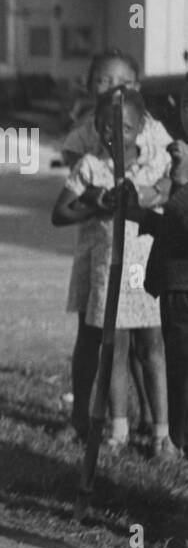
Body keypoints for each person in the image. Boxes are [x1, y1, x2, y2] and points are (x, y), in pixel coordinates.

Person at [52, 86, 172, 455]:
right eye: (106, 127)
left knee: (152, 347)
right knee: (113, 349)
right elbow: (60, 212)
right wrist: (98, 206)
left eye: (125, 128)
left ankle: (162, 433)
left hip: (145, 271)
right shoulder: (91, 166)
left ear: (142, 128)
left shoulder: (155, 163)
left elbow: (173, 189)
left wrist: (148, 196)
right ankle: (118, 430)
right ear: (96, 126)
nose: (115, 135)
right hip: (108, 270)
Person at [132, 132, 188, 455]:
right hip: (176, 287)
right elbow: (174, 226)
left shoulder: (181, 172)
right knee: (179, 372)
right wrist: (139, 214)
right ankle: (177, 444)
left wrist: (178, 183)